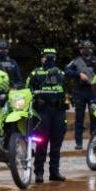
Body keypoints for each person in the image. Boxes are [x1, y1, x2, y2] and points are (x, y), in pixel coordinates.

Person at [28, 47, 68, 182]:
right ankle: (39, 173)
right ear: (41, 58)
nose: (49, 60)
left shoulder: (61, 73)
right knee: (42, 143)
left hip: (58, 111)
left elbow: (66, 91)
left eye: (52, 57)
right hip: (42, 112)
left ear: (55, 59)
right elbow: (28, 91)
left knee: (57, 143)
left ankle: (54, 172)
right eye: (47, 57)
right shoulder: (35, 74)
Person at [65, 40, 96, 149]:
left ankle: (94, 141)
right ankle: (79, 143)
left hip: (93, 92)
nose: (86, 51)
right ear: (81, 50)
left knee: (95, 118)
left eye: (88, 48)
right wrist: (79, 74)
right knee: (79, 118)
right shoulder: (76, 62)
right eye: (84, 48)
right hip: (80, 92)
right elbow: (66, 71)